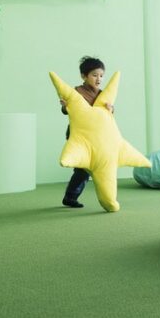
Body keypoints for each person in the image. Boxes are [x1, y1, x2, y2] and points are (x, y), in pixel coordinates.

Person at [59, 57, 111, 208]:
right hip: (78, 135)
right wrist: (65, 106)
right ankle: (70, 197)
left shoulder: (103, 94)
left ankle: (71, 197)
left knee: (89, 168)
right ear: (84, 76)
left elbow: (107, 115)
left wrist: (111, 109)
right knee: (83, 169)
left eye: (101, 75)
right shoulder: (77, 92)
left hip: (95, 136)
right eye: (94, 75)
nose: (99, 79)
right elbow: (66, 110)